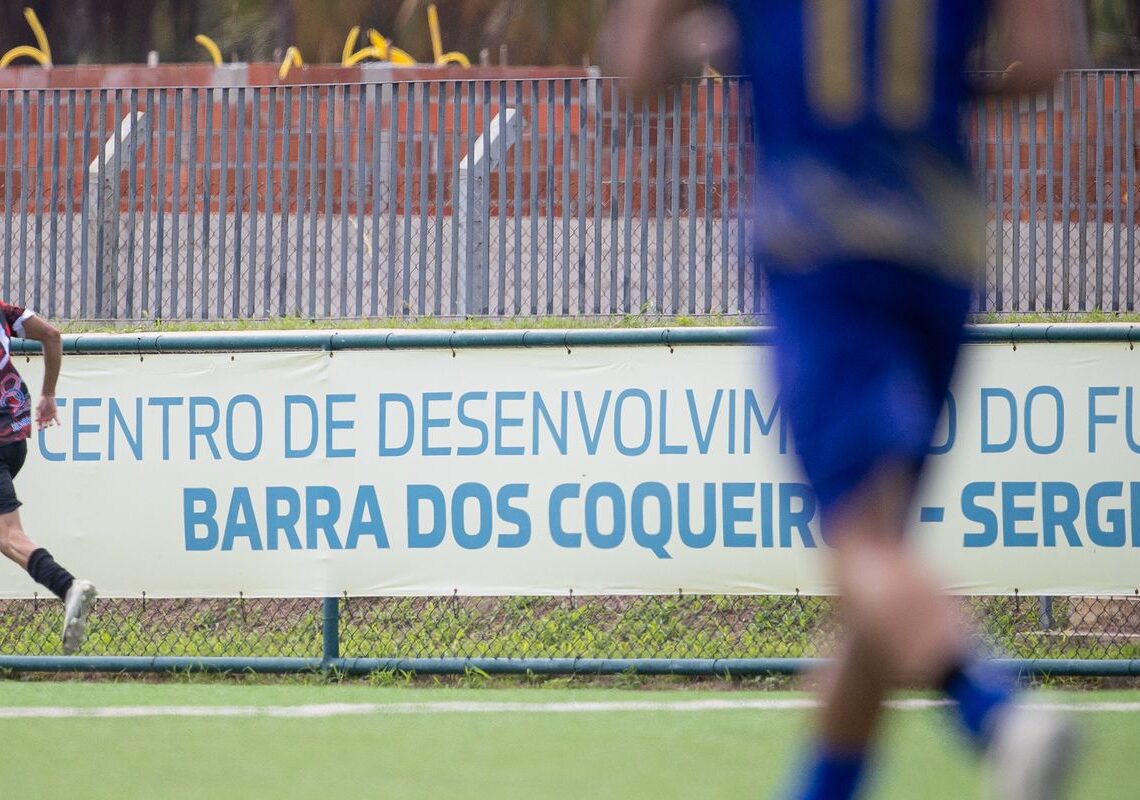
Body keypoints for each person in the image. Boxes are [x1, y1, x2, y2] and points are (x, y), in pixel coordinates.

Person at [603, 1, 1078, 798]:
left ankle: (996, 713)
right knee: (877, 565)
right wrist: (937, 88)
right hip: (940, 253)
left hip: (821, 249)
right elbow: (1044, 63)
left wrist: (714, 48)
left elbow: (636, 75)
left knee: (861, 547)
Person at [0, 300, 96, 655]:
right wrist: (49, 394)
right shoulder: (4, 311)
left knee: (10, 536)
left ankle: (67, 586)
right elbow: (52, 335)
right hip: (14, 439)